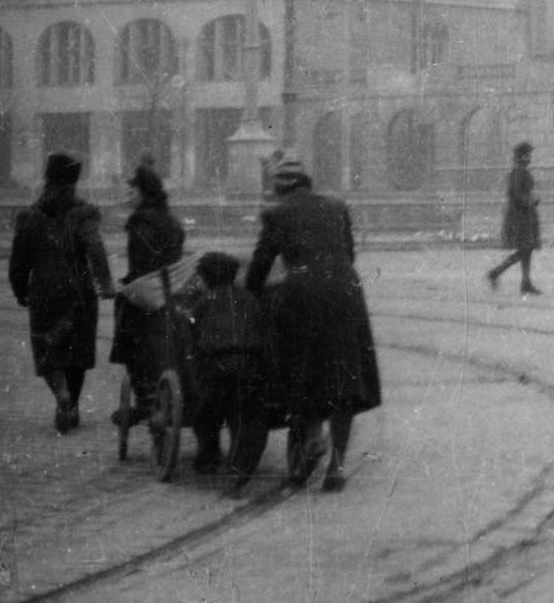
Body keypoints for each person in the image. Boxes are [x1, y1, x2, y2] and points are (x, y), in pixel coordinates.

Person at [243, 157, 381, 491]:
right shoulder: (336, 205)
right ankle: (336, 467)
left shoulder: (276, 213)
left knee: (304, 371)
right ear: (307, 182)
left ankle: (312, 437)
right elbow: (348, 253)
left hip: (302, 292)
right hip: (345, 290)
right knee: (344, 375)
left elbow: (261, 263)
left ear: (278, 187)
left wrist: (251, 295)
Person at [9, 153, 115, 433]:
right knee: (76, 351)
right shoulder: (83, 215)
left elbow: (18, 261)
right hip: (78, 292)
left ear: (48, 177)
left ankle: (61, 395)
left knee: (48, 349)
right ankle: (74, 404)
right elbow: (95, 247)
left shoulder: (30, 217)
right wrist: (105, 284)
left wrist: (20, 289)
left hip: (43, 292)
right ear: (74, 180)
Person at [108, 161, 187, 423]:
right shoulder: (171, 220)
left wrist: (124, 285)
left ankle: (144, 400)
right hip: (172, 290)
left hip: (149, 294)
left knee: (129, 336)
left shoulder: (140, 223)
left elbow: (141, 266)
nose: (127, 197)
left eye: (131, 192)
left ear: (142, 193)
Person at [188, 250, 273, 486]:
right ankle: (241, 466)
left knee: (206, 412)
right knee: (248, 413)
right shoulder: (250, 299)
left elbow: (192, 337)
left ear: (205, 277)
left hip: (216, 366)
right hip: (249, 364)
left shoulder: (203, 303)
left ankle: (209, 457)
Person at [486, 142, 542, 295]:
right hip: (520, 216)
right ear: (521, 157)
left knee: (527, 249)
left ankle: (525, 281)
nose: (529, 158)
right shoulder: (519, 172)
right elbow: (515, 194)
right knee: (525, 249)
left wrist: (530, 200)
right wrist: (530, 201)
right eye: (527, 155)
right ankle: (497, 273)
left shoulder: (520, 171)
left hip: (523, 214)